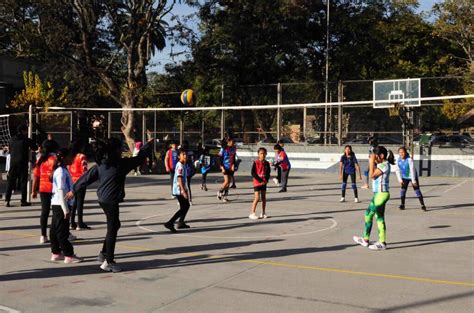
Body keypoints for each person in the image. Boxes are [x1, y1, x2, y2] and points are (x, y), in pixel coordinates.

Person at [73, 137, 152, 272]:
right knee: (112, 229)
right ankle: (108, 261)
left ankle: (103, 253)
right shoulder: (120, 164)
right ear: (116, 150)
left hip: (103, 199)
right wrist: (147, 146)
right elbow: (138, 159)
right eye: (120, 148)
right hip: (110, 200)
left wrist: (74, 189)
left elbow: (86, 178)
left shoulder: (102, 164)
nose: (122, 150)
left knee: (115, 225)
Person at [353, 146, 395, 251]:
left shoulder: (384, 165)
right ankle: (365, 239)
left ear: (381, 156)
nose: (374, 158)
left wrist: (371, 162)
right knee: (368, 215)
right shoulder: (381, 164)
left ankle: (382, 242)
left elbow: (371, 175)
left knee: (379, 218)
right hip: (377, 195)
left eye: (376, 156)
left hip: (381, 194)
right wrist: (372, 161)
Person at [50, 148, 83, 264]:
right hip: (61, 204)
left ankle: (56, 252)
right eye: (70, 156)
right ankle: (68, 254)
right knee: (62, 231)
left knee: (55, 229)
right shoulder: (61, 172)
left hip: (57, 203)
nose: (72, 159)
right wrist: (66, 209)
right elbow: (61, 190)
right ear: (64, 158)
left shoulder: (62, 170)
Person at [32, 139, 59, 244]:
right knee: (57, 213)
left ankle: (43, 235)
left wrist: (33, 190)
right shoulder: (55, 159)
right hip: (54, 189)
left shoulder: (40, 160)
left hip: (43, 188)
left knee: (45, 212)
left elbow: (35, 176)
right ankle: (56, 234)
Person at [5, 124, 38, 207]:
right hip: (22, 162)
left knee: (11, 182)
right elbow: (35, 147)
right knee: (23, 182)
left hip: (13, 163)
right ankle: (23, 201)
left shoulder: (12, 139)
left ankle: (7, 200)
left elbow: (10, 149)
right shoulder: (25, 139)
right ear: (23, 131)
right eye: (25, 130)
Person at [164, 148, 191, 232]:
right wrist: (183, 191)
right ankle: (170, 223)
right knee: (184, 207)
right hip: (179, 190)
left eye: (186, 154)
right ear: (179, 156)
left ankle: (180, 222)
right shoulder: (180, 165)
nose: (185, 156)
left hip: (181, 189)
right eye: (183, 155)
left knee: (186, 206)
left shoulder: (182, 164)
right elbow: (179, 178)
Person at [395, 147, 426, 211]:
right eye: (400, 152)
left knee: (417, 190)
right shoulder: (398, 160)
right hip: (404, 177)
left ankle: (423, 205)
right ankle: (402, 205)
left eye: (402, 152)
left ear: (405, 152)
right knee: (403, 191)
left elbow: (412, 170)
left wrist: (413, 180)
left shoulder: (409, 159)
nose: (401, 153)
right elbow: (397, 170)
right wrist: (400, 180)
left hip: (412, 176)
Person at [68, 140, 90, 230]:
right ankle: (80, 222)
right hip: (80, 181)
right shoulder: (82, 156)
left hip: (72, 181)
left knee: (73, 203)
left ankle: (72, 222)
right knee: (80, 202)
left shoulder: (71, 157)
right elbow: (84, 170)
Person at [249, 147, 271, 220]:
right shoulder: (255, 162)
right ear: (258, 154)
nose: (263, 155)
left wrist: (266, 180)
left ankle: (263, 212)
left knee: (264, 198)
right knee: (257, 198)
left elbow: (268, 173)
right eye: (261, 153)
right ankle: (252, 213)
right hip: (257, 183)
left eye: (264, 153)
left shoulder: (267, 163)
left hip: (264, 182)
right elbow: (253, 173)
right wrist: (260, 180)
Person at [217, 137, 236, 202]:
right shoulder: (223, 149)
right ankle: (220, 191)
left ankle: (225, 196)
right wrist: (222, 167)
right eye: (232, 142)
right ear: (228, 142)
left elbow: (233, 157)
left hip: (230, 167)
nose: (233, 143)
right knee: (226, 181)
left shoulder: (233, 148)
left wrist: (233, 165)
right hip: (225, 167)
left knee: (228, 183)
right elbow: (219, 159)